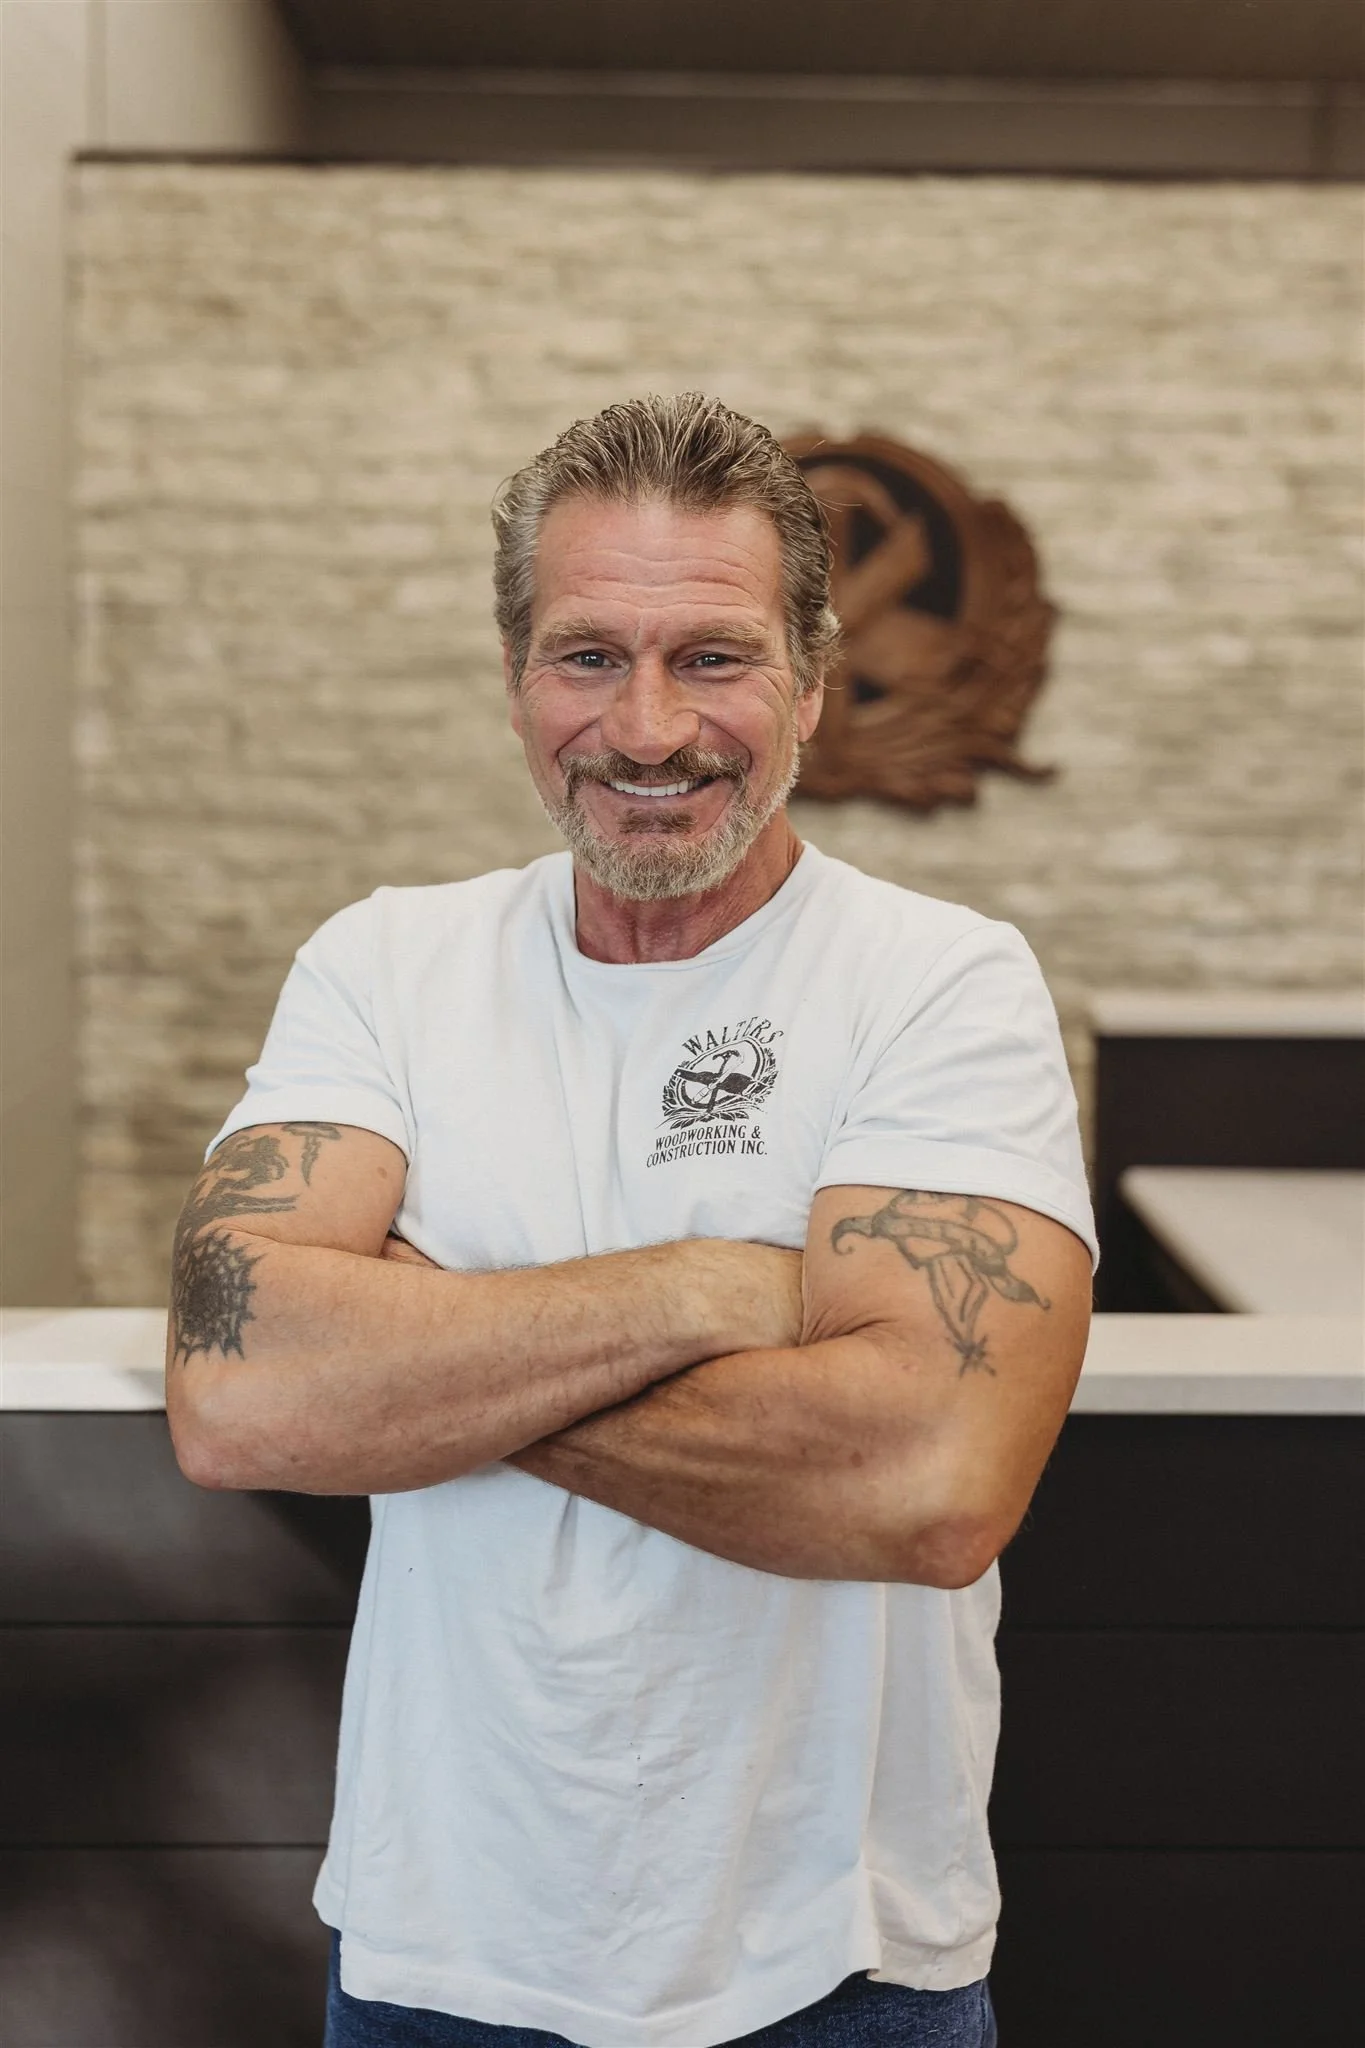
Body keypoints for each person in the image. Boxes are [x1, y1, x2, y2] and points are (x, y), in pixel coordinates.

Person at [167, 393, 1095, 2048]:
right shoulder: (388, 965)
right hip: (434, 1954)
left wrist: (422, 1347)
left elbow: (931, 1482)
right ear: (516, 676)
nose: (650, 729)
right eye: (589, 656)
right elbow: (240, 1390)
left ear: (812, 679)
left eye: (714, 659)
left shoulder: (939, 983)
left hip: (839, 1965)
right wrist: (708, 1288)